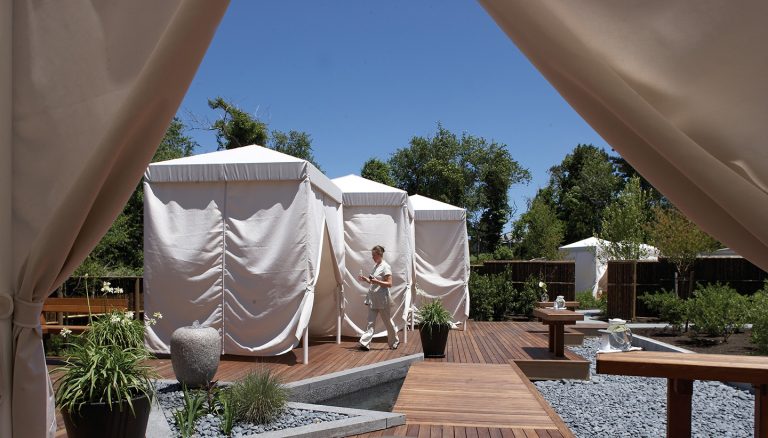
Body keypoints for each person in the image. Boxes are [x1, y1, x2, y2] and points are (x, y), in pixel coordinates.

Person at [357, 245, 400, 351]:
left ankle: (394, 341)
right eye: (372, 255)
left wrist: (377, 281)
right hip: (373, 298)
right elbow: (373, 282)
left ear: (379, 255)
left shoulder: (385, 266)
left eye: (374, 255)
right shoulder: (376, 266)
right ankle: (365, 343)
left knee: (387, 321)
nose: (372, 257)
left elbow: (389, 284)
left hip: (382, 299)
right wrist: (365, 279)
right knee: (370, 322)